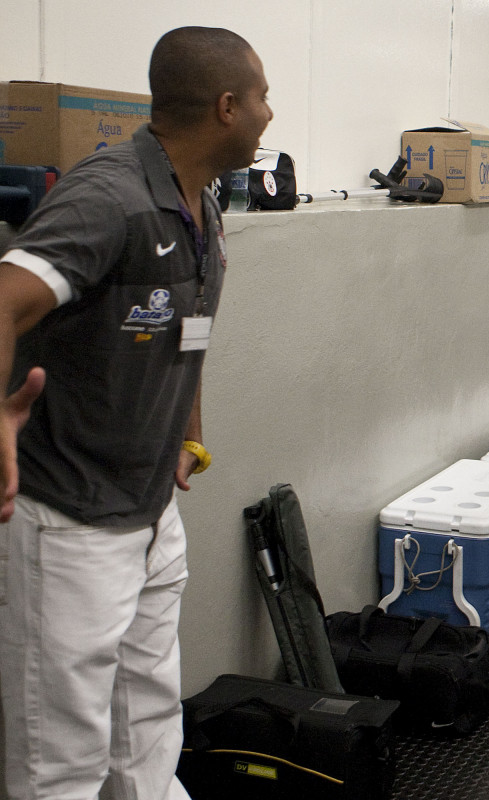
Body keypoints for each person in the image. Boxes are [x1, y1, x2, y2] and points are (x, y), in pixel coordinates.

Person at [0, 26, 271, 799]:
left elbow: (187, 327)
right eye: (262, 99)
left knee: (148, 736)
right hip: (70, 524)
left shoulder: (199, 202)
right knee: (63, 766)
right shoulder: (109, 198)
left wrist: (190, 429)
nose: (269, 115)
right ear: (227, 107)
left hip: (150, 515)